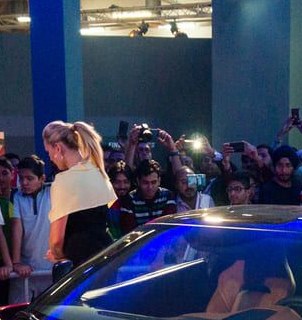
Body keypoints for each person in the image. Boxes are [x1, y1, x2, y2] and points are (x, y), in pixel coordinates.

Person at [43, 120, 115, 267]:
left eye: (48, 152)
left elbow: (56, 241)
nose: (49, 158)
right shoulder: (100, 174)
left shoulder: (63, 181)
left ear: (57, 148)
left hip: (80, 266)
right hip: (106, 258)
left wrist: (57, 255)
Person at [10, 155, 53, 304]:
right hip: (24, 268)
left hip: (51, 268)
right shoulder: (17, 197)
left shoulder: (53, 192)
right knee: (18, 311)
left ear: (42, 178)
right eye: (21, 178)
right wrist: (16, 263)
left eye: (29, 178)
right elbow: (17, 228)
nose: (24, 183)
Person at [114, 159, 178, 233]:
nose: (150, 187)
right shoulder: (129, 199)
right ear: (138, 181)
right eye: (145, 183)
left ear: (159, 181)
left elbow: (169, 227)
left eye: (153, 182)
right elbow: (130, 232)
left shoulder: (168, 196)